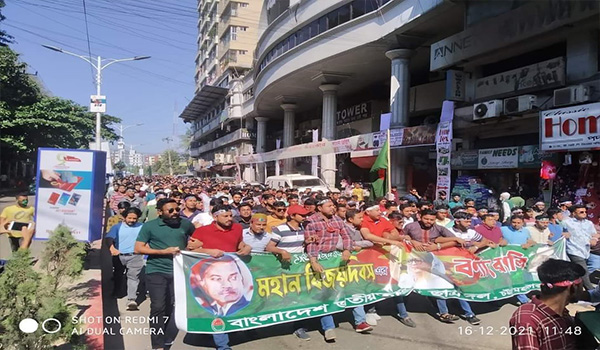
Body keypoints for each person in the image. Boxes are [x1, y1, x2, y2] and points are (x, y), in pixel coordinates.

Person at [187, 204, 251, 349]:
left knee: (233, 307)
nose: (230, 219)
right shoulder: (202, 231)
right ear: (215, 217)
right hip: (212, 278)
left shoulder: (237, 228)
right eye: (226, 216)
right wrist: (208, 251)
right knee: (217, 311)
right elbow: (190, 249)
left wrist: (246, 247)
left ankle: (230, 333)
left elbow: (238, 243)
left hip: (231, 275)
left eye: (231, 216)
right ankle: (222, 345)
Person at [134, 198, 195, 350]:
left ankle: (167, 338)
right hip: (156, 270)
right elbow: (138, 248)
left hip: (180, 272)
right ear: (160, 212)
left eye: (177, 209)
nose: (175, 213)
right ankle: (157, 345)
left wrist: (195, 245)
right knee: (158, 306)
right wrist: (163, 252)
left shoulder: (185, 223)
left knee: (173, 307)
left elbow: (198, 239)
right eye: (170, 210)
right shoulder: (150, 226)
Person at [403, 209, 474, 323]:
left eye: (432, 220)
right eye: (426, 219)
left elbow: (455, 241)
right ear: (420, 217)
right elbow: (402, 237)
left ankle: (443, 313)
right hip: (412, 261)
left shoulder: (439, 228)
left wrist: (438, 247)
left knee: (438, 283)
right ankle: (402, 311)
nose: (429, 222)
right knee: (407, 285)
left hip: (433, 261)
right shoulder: (410, 226)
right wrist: (413, 241)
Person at [304, 198, 353, 341]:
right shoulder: (311, 221)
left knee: (336, 289)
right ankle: (328, 327)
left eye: (333, 205)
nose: (333, 208)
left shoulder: (337, 220)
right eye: (329, 206)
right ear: (320, 208)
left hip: (333, 259)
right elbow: (311, 243)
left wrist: (347, 249)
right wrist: (313, 261)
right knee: (321, 292)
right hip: (317, 259)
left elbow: (346, 236)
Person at [359, 205, 416, 328]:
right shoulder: (363, 220)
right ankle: (370, 310)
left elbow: (394, 232)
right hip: (369, 257)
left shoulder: (382, 220)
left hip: (387, 256)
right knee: (373, 283)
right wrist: (390, 240)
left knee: (394, 282)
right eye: (377, 210)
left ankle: (403, 314)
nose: (380, 212)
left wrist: (388, 236)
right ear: (368, 211)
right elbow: (367, 236)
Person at [510, 258, 585, 350]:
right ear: (573, 287)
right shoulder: (527, 319)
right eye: (582, 285)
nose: (583, 290)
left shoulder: (562, 311)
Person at [105, 207, 145, 310]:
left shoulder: (142, 227)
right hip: (119, 256)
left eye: (134, 218)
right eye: (130, 218)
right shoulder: (117, 227)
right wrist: (112, 248)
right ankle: (118, 291)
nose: (132, 220)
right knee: (118, 275)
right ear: (124, 217)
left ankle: (131, 299)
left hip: (135, 256)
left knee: (133, 277)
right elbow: (109, 238)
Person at [501, 215, 536, 305]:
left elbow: (532, 241)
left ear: (522, 223)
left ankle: (523, 294)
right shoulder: (503, 229)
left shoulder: (526, 231)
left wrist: (528, 244)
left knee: (523, 277)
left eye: (518, 223)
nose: (516, 225)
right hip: (509, 259)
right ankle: (523, 299)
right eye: (514, 222)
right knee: (515, 278)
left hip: (523, 258)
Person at [562, 204, 598, 290]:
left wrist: (595, 239)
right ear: (574, 213)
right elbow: (558, 231)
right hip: (573, 249)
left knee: (578, 271)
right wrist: (562, 234)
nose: (584, 213)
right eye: (581, 212)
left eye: (585, 212)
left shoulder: (589, 223)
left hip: (586, 250)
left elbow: (594, 234)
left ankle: (574, 290)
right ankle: (591, 292)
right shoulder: (566, 222)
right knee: (583, 271)